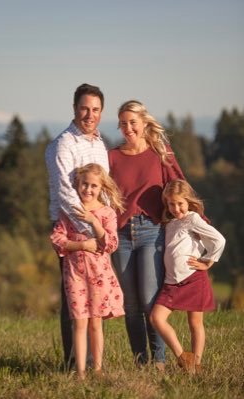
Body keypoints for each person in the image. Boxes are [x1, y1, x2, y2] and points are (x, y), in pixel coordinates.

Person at [108, 100, 185, 370]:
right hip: (122, 235)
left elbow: (181, 189)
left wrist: (198, 225)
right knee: (131, 305)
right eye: (123, 123)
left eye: (132, 122)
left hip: (152, 232)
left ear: (143, 123)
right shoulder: (112, 157)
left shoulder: (160, 153)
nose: (128, 128)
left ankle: (159, 362)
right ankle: (141, 363)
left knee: (150, 300)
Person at [45, 83, 109, 369]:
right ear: (74, 108)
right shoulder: (64, 144)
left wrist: (102, 226)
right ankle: (73, 363)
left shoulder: (99, 144)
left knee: (96, 299)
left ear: (101, 112)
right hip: (70, 230)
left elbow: (105, 189)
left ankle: (93, 361)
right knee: (74, 300)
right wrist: (88, 231)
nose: (89, 114)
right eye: (84, 108)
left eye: (95, 109)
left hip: (98, 229)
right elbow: (65, 193)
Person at [50, 163, 125, 380]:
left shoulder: (107, 213)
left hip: (99, 277)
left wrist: (94, 221)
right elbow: (57, 239)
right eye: (84, 185)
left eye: (93, 186)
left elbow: (110, 244)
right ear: (77, 184)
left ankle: (98, 368)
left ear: (101, 187)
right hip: (75, 275)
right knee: (79, 322)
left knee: (96, 322)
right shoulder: (69, 212)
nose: (88, 190)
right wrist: (81, 245)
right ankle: (80, 372)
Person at [150, 179, 226, 374]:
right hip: (171, 282)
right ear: (166, 203)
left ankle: (197, 365)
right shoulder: (169, 223)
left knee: (195, 323)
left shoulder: (192, 219)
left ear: (188, 202)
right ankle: (183, 357)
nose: (176, 208)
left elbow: (219, 239)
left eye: (180, 203)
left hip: (193, 278)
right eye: (171, 204)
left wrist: (208, 261)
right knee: (156, 318)